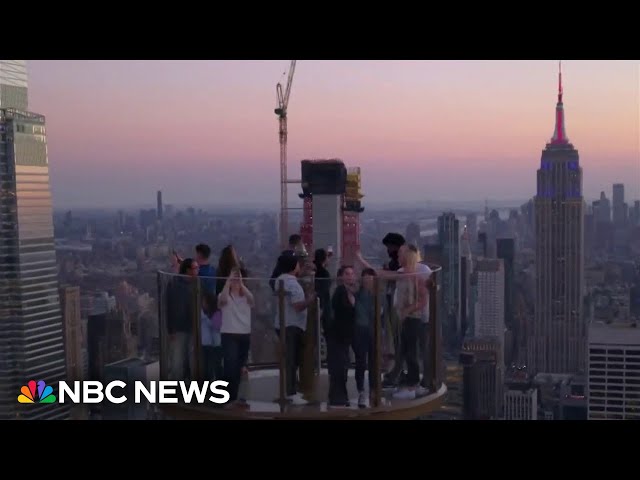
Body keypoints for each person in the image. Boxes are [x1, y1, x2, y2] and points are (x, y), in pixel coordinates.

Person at [273, 254, 316, 405]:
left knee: (292, 358)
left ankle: (291, 390)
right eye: (298, 264)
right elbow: (297, 305)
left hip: (288, 325)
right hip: (290, 325)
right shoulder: (289, 282)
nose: (299, 266)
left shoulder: (283, 279)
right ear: (292, 266)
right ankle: (290, 392)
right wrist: (310, 300)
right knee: (291, 359)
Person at [388, 248, 428, 400]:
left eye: (400, 254)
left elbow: (423, 300)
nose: (397, 256)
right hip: (404, 318)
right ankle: (407, 382)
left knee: (411, 352)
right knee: (403, 351)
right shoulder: (403, 273)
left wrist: (408, 310)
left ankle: (414, 385)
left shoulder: (416, 276)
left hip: (412, 319)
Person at [219, 268, 254, 406]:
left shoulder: (246, 296)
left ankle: (240, 397)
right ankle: (229, 397)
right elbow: (221, 301)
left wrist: (241, 284)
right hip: (229, 334)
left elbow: (252, 300)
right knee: (230, 366)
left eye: (238, 278)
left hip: (244, 334)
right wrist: (228, 282)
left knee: (241, 366)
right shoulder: (225, 296)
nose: (236, 281)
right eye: (233, 278)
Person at [327, 265, 358, 408]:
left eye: (352, 273)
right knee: (338, 367)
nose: (350, 276)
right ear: (341, 276)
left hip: (346, 336)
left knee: (343, 366)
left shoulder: (353, 292)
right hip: (337, 335)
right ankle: (336, 399)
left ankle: (341, 397)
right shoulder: (340, 291)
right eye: (347, 273)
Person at [166, 258, 199, 381]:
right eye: (195, 268)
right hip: (178, 329)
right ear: (188, 270)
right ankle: (175, 388)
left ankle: (189, 386)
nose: (198, 271)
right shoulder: (174, 284)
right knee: (177, 360)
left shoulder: (196, 284)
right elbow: (169, 307)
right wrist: (171, 330)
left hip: (193, 327)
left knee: (191, 359)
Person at [353, 268, 378, 408]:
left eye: (371, 278)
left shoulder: (377, 295)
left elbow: (382, 315)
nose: (368, 280)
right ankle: (361, 391)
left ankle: (374, 390)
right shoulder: (357, 295)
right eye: (366, 278)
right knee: (361, 362)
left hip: (374, 332)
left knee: (374, 363)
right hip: (360, 331)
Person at [201, 290, 223, 381]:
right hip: (206, 344)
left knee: (216, 366)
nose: (202, 303)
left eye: (204, 301)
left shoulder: (217, 313)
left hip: (216, 345)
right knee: (207, 367)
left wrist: (206, 318)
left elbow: (217, 326)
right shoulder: (202, 313)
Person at [314, 249, 332, 333]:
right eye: (327, 257)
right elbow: (323, 291)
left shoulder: (314, 270)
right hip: (321, 306)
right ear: (324, 259)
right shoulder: (324, 274)